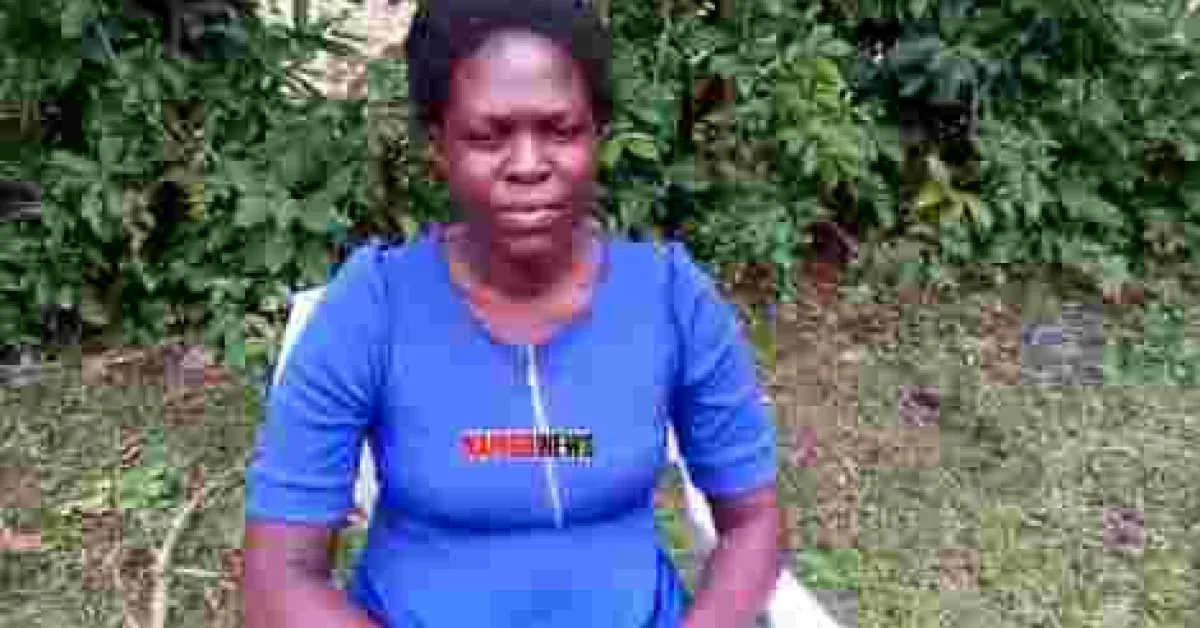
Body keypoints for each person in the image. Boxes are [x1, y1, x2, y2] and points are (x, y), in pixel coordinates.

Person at [241, 1, 781, 626]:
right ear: (438, 147)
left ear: (597, 136)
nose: (528, 166)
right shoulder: (372, 308)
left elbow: (754, 521)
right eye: (488, 136)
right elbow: (277, 575)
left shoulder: (669, 299)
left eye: (560, 130)